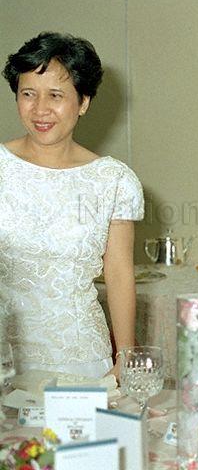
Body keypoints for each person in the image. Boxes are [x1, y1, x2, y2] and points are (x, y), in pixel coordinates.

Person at [0, 32, 143, 379]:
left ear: (83, 102)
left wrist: (125, 357)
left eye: (56, 96)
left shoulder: (113, 181)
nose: (40, 109)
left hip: (81, 359)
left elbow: (119, 274)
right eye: (28, 94)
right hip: (6, 359)